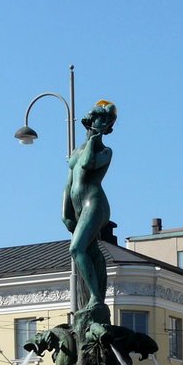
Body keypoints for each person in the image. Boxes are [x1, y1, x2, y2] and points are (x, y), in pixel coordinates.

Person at [62, 101, 116, 311]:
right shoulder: (77, 151)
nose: (99, 122)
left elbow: (87, 164)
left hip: (95, 204)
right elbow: (68, 183)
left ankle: (95, 298)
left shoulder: (105, 151)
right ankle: (92, 296)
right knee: (89, 249)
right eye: (97, 118)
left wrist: (95, 138)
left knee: (76, 248)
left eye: (104, 120)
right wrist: (65, 210)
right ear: (90, 119)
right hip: (78, 206)